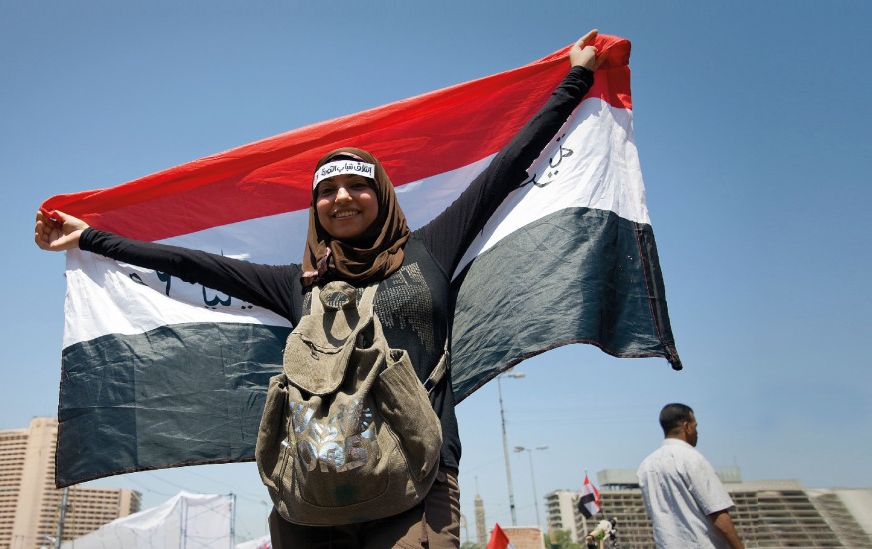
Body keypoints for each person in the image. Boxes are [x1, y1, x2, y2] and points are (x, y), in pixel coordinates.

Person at [36, 30, 600, 549]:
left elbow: (507, 167)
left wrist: (576, 80)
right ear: (316, 208)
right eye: (328, 190)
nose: (343, 198)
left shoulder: (431, 250)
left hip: (417, 480)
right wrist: (94, 240)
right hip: (311, 488)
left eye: (359, 185)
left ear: (382, 195)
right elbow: (189, 263)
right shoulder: (295, 283)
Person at [637, 403, 745, 549]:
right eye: (695, 426)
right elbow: (718, 514)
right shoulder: (692, 459)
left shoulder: (646, 466)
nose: (697, 432)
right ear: (686, 427)